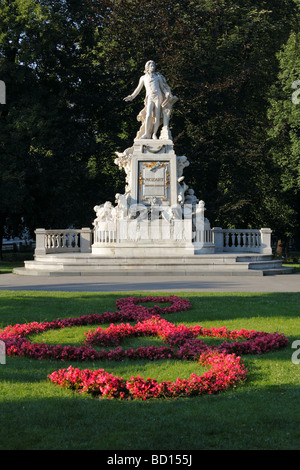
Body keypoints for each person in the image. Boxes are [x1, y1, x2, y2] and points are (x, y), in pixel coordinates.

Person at [124, 60, 177, 139]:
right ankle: (146, 133)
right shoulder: (143, 78)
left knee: (157, 116)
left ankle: (154, 134)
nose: (153, 67)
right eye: (151, 65)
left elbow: (163, 88)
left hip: (158, 96)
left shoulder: (158, 77)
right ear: (147, 67)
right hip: (149, 97)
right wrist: (132, 96)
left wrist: (167, 93)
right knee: (148, 115)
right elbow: (138, 89)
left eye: (154, 65)